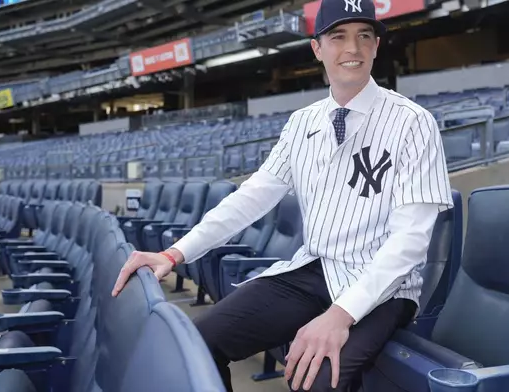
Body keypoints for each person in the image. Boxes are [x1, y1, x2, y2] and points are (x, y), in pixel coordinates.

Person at [112, 0, 453, 390]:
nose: (353, 49)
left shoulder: (413, 122)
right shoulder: (302, 123)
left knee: (315, 380)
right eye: (338, 36)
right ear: (317, 48)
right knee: (196, 344)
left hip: (384, 287)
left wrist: (340, 315)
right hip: (316, 269)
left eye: (364, 36)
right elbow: (250, 199)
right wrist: (175, 253)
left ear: (376, 46)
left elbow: (410, 242)